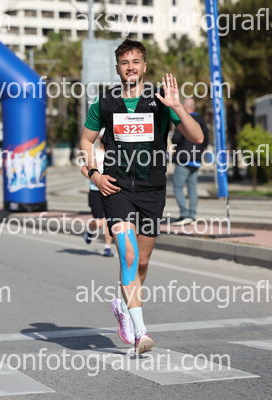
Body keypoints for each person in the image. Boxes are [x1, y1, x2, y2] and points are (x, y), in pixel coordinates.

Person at [79, 39, 204, 354]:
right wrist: (94, 174)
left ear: (144, 67)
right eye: (124, 62)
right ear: (117, 68)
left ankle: (124, 306)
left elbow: (197, 136)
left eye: (136, 61)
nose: (130, 67)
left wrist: (177, 106)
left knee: (143, 261)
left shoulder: (160, 101)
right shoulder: (104, 103)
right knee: (129, 256)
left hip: (152, 189)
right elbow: (86, 141)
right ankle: (140, 331)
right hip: (116, 188)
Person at [171, 98, 209, 226]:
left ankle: (184, 214)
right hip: (196, 159)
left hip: (183, 158)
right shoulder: (201, 120)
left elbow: (176, 139)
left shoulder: (182, 119)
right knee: (192, 188)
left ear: (184, 107)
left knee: (178, 187)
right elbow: (205, 140)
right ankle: (192, 215)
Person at [80, 131, 114, 257]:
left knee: (110, 220)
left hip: (110, 190)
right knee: (99, 222)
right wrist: (94, 178)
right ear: (99, 139)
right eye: (103, 138)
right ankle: (90, 231)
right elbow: (83, 169)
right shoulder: (95, 153)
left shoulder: (114, 153)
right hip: (95, 190)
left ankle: (107, 247)